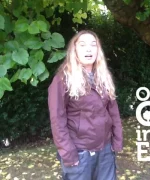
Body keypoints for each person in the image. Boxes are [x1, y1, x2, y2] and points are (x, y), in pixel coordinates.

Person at [48, 30, 123, 180]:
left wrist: (117, 140)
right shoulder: (62, 79)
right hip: (80, 152)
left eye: (93, 45)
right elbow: (57, 120)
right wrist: (69, 154)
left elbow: (113, 111)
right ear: (74, 50)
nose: (89, 49)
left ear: (98, 50)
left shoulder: (103, 76)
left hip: (105, 150)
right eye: (82, 45)